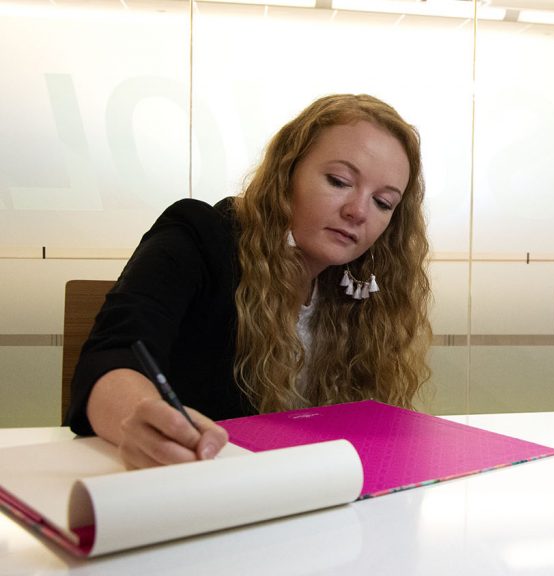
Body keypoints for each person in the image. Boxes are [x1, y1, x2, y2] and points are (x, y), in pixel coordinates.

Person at [65, 94, 432, 468]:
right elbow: (110, 359)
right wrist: (141, 419)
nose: (357, 211)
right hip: (204, 493)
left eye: (383, 203)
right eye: (339, 181)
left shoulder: (364, 293)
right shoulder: (199, 237)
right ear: (287, 171)